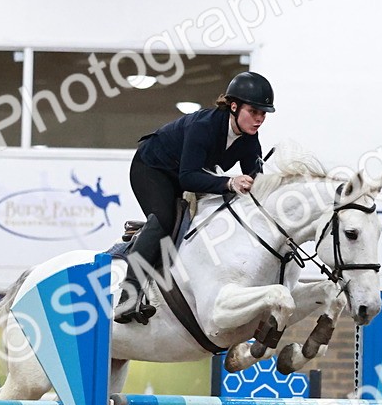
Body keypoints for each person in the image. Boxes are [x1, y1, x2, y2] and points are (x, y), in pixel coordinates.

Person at [114, 71, 274, 324]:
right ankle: (128, 297)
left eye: (263, 114)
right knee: (165, 219)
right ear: (234, 106)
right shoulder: (204, 127)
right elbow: (188, 178)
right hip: (151, 167)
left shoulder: (250, 139)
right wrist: (230, 182)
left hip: (181, 173)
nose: (259, 119)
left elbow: (257, 179)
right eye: (254, 112)